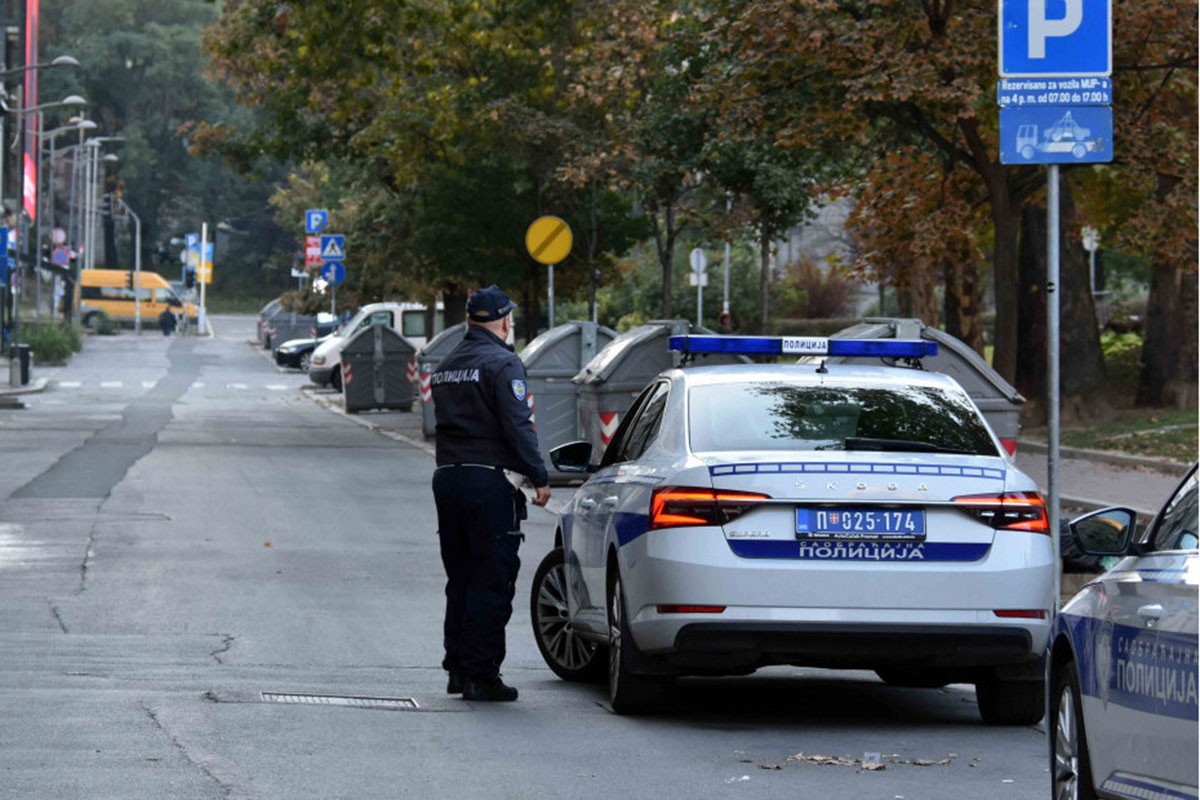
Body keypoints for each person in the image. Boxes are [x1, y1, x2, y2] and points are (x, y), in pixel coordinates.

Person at [431, 285, 551, 702]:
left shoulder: (445, 366)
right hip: (489, 482)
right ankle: (482, 675)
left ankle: (458, 669)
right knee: (491, 577)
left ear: (469, 320)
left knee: (460, 576)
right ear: (503, 321)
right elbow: (519, 425)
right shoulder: (504, 363)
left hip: (448, 478)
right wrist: (539, 476)